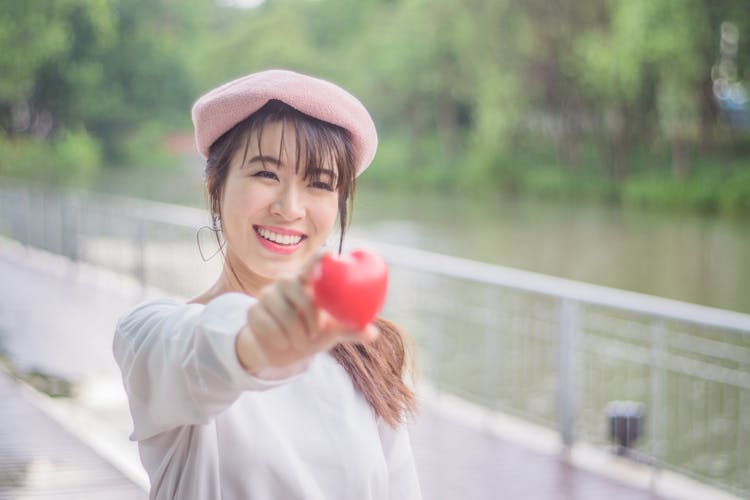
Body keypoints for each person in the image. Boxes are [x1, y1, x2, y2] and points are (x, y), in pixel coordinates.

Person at [113, 69, 421, 499]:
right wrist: (258, 346)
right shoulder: (151, 336)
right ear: (215, 185)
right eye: (265, 174)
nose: (291, 208)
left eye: (319, 184)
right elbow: (203, 350)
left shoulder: (370, 349)